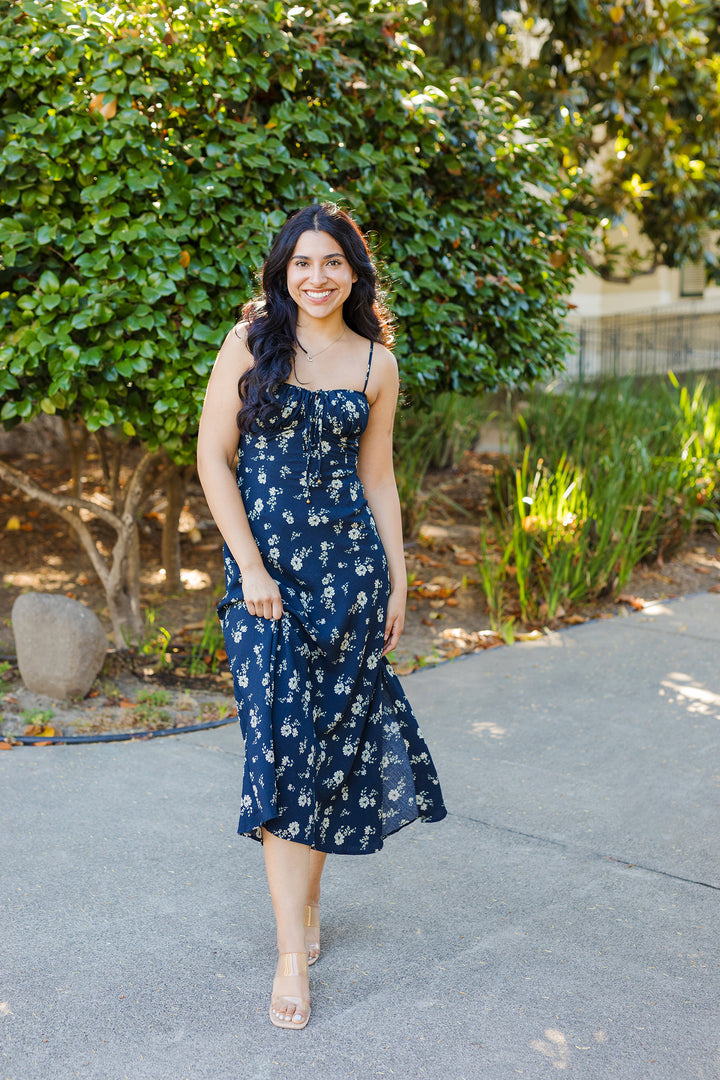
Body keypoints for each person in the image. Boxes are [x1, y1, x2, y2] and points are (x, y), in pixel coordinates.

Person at [197, 202, 446, 1031]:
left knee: (329, 746)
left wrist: (399, 579)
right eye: (301, 263)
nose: (316, 277)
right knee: (280, 749)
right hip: (265, 587)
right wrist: (252, 565)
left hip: (351, 579)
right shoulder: (253, 341)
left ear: (353, 270)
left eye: (331, 262)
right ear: (283, 270)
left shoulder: (377, 362)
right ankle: (286, 952)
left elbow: (378, 478)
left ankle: (305, 907)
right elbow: (214, 457)